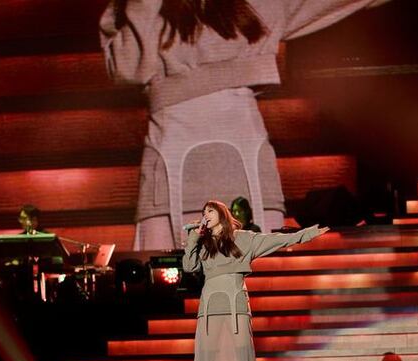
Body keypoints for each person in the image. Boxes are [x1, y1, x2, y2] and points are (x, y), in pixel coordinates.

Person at [100, 0, 392, 250]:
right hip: (171, 162)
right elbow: (126, 67)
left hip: (240, 158)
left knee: (253, 281)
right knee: (170, 284)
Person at [182, 199, 329, 361]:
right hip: (210, 307)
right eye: (204, 212)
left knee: (240, 356)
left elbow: (275, 240)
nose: (206, 215)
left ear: (222, 214)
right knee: (208, 356)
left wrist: (305, 234)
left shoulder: (244, 238)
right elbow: (189, 266)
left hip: (236, 305)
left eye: (210, 211)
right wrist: (193, 237)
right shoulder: (203, 243)